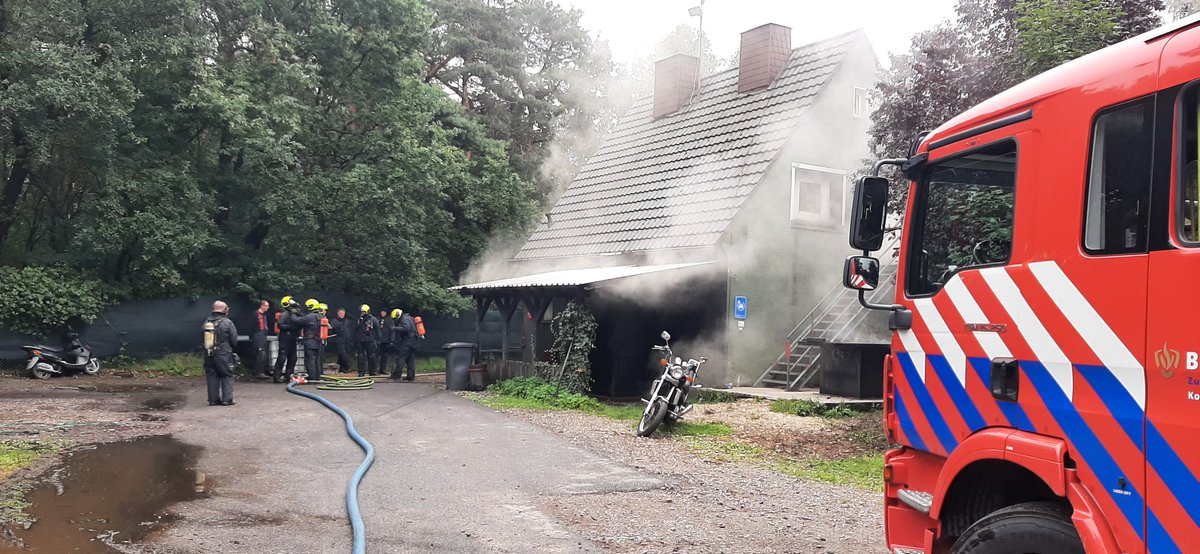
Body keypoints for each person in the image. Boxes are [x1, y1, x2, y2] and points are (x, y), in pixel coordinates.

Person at [202, 301, 237, 405]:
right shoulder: (227, 322)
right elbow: (234, 339)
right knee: (227, 374)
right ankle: (227, 399)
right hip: (223, 353)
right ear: (225, 310)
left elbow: (201, 336)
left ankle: (213, 400)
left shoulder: (206, 322)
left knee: (211, 375)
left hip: (208, 352)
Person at [272, 296, 301, 383]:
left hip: (292, 338)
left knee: (293, 358)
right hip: (285, 338)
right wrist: (290, 327)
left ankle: (289, 377)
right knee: (282, 358)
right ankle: (276, 377)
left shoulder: (293, 314)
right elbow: (280, 325)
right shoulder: (285, 314)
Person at [391, 308, 419, 381]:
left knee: (401, 358)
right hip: (414, 341)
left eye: (395, 318)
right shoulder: (410, 318)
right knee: (410, 359)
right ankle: (411, 377)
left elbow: (406, 328)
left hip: (407, 341)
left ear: (398, 315)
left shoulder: (404, 319)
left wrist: (395, 328)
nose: (395, 320)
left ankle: (397, 377)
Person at [300, 298, 323, 381]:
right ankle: (317, 377)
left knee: (310, 359)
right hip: (318, 341)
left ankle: (312, 377)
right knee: (317, 359)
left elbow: (297, 321)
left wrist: (294, 313)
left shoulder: (309, 316)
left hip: (310, 341)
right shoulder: (321, 316)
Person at [354, 304, 378, 376]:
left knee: (371, 356)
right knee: (360, 356)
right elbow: (355, 329)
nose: (362, 314)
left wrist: (378, 340)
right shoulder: (359, 319)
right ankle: (361, 372)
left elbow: (378, 330)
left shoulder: (373, 319)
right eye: (361, 312)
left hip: (370, 340)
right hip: (361, 340)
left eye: (363, 312)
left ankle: (372, 372)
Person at [250, 300, 271, 380]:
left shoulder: (264, 315)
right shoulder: (255, 314)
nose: (268, 308)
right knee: (260, 353)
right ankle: (258, 372)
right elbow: (251, 325)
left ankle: (261, 371)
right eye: (267, 306)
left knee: (263, 353)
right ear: (262, 306)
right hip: (258, 334)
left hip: (263, 334)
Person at [328, 307, 352, 373]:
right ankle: (348, 367)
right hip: (339, 340)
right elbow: (331, 329)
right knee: (343, 354)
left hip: (347, 340)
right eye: (341, 313)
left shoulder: (347, 321)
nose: (342, 314)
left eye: (343, 313)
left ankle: (341, 368)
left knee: (342, 355)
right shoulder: (334, 321)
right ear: (338, 313)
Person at [376, 309, 394, 376]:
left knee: (385, 356)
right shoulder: (377, 319)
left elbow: (392, 331)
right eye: (382, 312)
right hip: (378, 341)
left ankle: (383, 370)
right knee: (377, 356)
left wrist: (392, 340)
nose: (383, 313)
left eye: (384, 312)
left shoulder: (389, 320)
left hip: (386, 341)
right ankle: (376, 369)